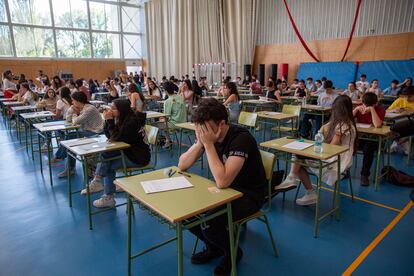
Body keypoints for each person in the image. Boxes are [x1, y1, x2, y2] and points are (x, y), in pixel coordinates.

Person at [178, 98, 267, 275]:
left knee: (210, 222)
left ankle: (232, 252)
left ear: (222, 124)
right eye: (200, 129)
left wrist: (209, 145)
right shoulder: (208, 136)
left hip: (249, 195)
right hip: (224, 192)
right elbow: (182, 165)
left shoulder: (241, 138)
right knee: (185, 214)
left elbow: (223, 180)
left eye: (206, 129)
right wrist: (200, 143)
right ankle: (215, 247)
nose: (203, 133)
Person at [276, 95, 357, 205]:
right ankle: (300, 184)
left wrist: (315, 147)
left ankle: (297, 182)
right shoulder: (347, 123)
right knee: (298, 158)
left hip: (337, 160)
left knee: (298, 156)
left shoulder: (343, 125)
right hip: (338, 156)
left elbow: (332, 146)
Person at [81, 99, 150, 208]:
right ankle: (104, 190)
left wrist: (110, 121)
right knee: (107, 161)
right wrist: (107, 121)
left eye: (114, 108)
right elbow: (110, 137)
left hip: (138, 157)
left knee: (108, 162)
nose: (111, 110)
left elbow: (116, 139)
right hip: (129, 152)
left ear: (121, 110)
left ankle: (102, 187)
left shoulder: (132, 122)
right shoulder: (122, 118)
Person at [56, 92, 104, 177]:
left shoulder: (89, 109)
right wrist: (72, 109)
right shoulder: (83, 108)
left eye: (73, 101)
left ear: (78, 101)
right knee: (70, 141)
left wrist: (74, 113)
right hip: (88, 131)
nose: (72, 103)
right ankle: (65, 161)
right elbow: (68, 120)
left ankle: (61, 157)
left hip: (96, 133)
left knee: (70, 137)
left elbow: (75, 121)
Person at [353, 92, 385, 186]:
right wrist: (355, 110)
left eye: (370, 105)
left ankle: (364, 175)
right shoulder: (359, 108)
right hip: (361, 136)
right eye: (364, 104)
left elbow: (378, 125)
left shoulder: (380, 110)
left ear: (376, 104)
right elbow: (347, 120)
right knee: (348, 143)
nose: (365, 107)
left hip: (374, 139)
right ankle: (344, 170)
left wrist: (372, 109)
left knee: (368, 148)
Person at [388, 87, 414, 154]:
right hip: (398, 123)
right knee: (391, 127)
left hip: (411, 125)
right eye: (405, 97)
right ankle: (400, 142)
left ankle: (398, 142)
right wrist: (395, 110)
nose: (407, 99)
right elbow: (387, 111)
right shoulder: (400, 100)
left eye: (410, 96)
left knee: (406, 125)